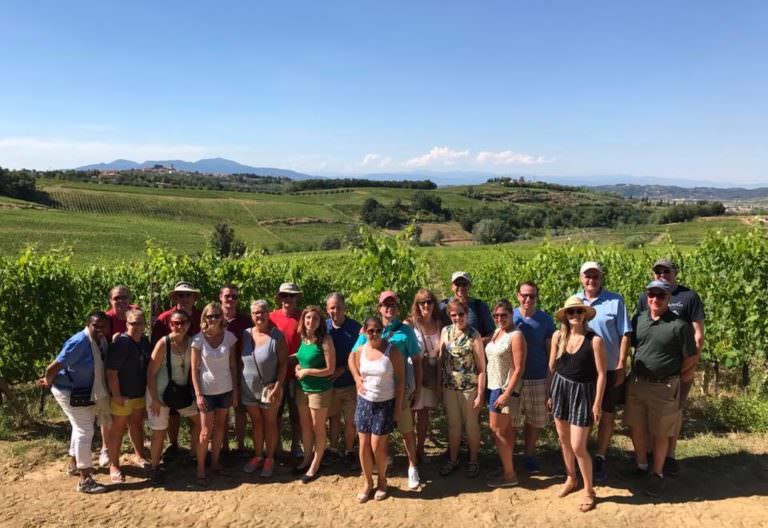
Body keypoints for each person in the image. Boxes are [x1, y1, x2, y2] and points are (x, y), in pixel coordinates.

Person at [620, 280, 697, 497]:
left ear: (668, 298)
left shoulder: (679, 325)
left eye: (660, 296)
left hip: (663, 386)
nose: (655, 299)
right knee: (636, 425)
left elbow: (691, 356)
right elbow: (632, 345)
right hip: (637, 383)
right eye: (651, 295)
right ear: (647, 296)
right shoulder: (639, 320)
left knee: (661, 431)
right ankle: (641, 464)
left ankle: (657, 473)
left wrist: (678, 375)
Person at [635, 258, 705, 476]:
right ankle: (648, 455)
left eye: (666, 270)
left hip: (678, 368)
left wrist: (689, 367)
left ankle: (669, 457)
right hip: (648, 374)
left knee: (674, 413)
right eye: (658, 270)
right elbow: (640, 331)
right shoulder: (645, 297)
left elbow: (698, 335)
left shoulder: (688, 296)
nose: (662, 273)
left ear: (675, 272)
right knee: (647, 416)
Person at [351, 290, 423, 490]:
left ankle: (412, 466)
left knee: (406, 429)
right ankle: (382, 467)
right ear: (379, 308)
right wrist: (358, 379)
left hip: (401, 388)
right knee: (377, 436)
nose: (388, 308)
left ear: (397, 308)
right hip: (374, 393)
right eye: (385, 305)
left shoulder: (405, 331)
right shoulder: (370, 330)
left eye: (392, 305)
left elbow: (417, 361)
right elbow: (353, 355)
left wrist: (416, 388)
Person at [37, 311, 111, 494]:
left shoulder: (100, 342)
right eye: (96, 325)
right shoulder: (79, 342)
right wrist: (48, 380)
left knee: (80, 427)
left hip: (83, 391)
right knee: (85, 430)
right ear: (88, 324)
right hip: (68, 391)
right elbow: (53, 367)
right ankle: (85, 479)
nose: (100, 329)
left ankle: (73, 465)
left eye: (103, 325)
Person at [548, 296, 607, 513]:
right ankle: (571, 479)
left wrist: (597, 403)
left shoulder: (595, 341)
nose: (575, 316)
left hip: (583, 393)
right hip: (560, 389)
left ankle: (589, 490)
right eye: (571, 312)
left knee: (578, 446)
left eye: (578, 312)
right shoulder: (558, 336)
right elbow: (551, 367)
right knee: (563, 440)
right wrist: (549, 393)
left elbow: (602, 375)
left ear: (584, 315)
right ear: (565, 316)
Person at [576, 262, 631, 481]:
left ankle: (599, 457)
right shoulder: (574, 301)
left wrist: (621, 363)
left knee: (606, 414)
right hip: (582, 371)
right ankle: (582, 456)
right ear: (581, 278)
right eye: (587, 276)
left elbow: (625, 334)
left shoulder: (615, 300)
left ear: (601, 277)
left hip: (608, 369)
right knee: (583, 415)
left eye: (595, 276)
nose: (591, 280)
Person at [349, 316, 405, 502]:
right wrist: (357, 378)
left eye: (378, 330)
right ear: (364, 331)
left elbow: (400, 381)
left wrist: (398, 407)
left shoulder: (392, 351)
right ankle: (367, 482)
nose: (374, 334)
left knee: (377, 446)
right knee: (363, 445)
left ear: (383, 331)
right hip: (364, 402)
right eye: (371, 330)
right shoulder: (360, 351)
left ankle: (382, 481)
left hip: (385, 403)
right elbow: (351, 360)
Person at [145, 310, 201, 485]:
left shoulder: (192, 342)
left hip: (180, 393)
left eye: (183, 322)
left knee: (201, 422)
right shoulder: (164, 343)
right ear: (170, 325)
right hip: (160, 393)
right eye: (175, 323)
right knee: (159, 431)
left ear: (189, 324)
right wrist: (154, 398)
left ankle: (193, 455)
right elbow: (150, 373)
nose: (179, 326)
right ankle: (155, 467)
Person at [151, 281, 202, 458]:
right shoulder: (164, 318)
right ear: (175, 298)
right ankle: (173, 445)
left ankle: (194, 451)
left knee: (192, 412)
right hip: (169, 378)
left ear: (194, 298)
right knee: (171, 413)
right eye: (180, 295)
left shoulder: (201, 316)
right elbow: (156, 352)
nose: (185, 298)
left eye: (188, 295)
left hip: (193, 373)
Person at [191, 302, 239, 486]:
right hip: (206, 392)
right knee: (205, 432)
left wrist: (235, 390)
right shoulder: (198, 339)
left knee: (220, 428)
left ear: (222, 317)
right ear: (204, 318)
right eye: (209, 316)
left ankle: (215, 463)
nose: (213, 319)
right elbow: (194, 370)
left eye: (217, 315)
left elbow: (233, 365)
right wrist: (198, 394)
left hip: (225, 389)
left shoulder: (230, 338)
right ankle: (201, 469)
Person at [438, 298, 487, 479]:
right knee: (453, 426)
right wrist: (439, 386)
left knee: (471, 426)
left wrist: (480, 393)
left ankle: (473, 460)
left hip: (469, 389)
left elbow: (482, 368)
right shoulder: (445, 331)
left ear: (466, 314)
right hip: (450, 387)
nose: (457, 318)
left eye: (460, 314)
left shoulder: (474, 336)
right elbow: (441, 361)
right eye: (453, 315)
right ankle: (453, 459)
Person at [240, 300, 288, 478]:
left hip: (269, 390)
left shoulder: (277, 336)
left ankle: (270, 458)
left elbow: (283, 364)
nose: (259, 316)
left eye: (262, 312)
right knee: (256, 423)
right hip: (248, 388)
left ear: (268, 313)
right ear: (251, 316)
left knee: (270, 423)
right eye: (255, 313)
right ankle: (258, 455)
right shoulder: (245, 334)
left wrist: (278, 386)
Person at [513, 281, 556, 474]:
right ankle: (509, 455)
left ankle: (529, 454)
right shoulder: (508, 316)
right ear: (518, 296)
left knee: (533, 419)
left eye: (532, 296)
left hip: (537, 376)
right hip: (513, 378)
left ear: (537, 297)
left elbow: (550, 353)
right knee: (511, 420)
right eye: (524, 295)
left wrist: (549, 379)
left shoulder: (545, 320)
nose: (528, 299)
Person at [106, 308, 151, 482]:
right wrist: (116, 395)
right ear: (127, 324)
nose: (137, 326)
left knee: (136, 426)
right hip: (123, 395)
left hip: (138, 393)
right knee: (117, 431)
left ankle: (139, 456)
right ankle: (114, 465)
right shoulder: (122, 344)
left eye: (140, 323)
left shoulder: (145, 342)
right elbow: (111, 373)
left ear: (145, 324)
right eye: (133, 323)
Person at [485, 299, 527, 488]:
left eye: (504, 315)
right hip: (494, 385)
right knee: (506, 431)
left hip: (503, 388)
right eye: (497, 315)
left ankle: (509, 475)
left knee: (497, 431)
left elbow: (519, 369)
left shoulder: (515, 335)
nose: (500, 318)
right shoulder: (497, 332)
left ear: (511, 314)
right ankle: (507, 468)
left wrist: (506, 394)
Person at [294, 305, 336, 483]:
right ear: (303, 320)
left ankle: (315, 465)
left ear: (321, 322)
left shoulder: (325, 340)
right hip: (302, 388)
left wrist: (308, 371)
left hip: (319, 390)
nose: (311, 321)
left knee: (318, 428)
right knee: (306, 427)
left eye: (315, 319)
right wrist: (298, 366)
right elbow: (302, 358)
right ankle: (306, 458)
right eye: (308, 318)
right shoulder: (304, 338)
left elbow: (330, 369)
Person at [405, 288, 443, 464]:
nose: (426, 305)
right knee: (411, 415)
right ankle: (410, 454)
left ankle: (420, 449)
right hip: (413, 376)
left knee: (424, 414)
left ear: (434, 303)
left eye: (429, 301)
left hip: (430, 376)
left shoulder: (439, 324)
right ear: (417, 305)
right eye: (422, 302)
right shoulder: (409, 325)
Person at [325, 293, 362, 469]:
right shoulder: (323, 327)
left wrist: (343, 369)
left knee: (349, 420)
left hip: (349, 382)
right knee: (333, 418)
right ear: (327, 309)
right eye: (332, 307)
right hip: (330, 384)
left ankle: (348, 451)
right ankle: (332, 449)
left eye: (339, 307)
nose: (336, 310)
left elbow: (361, 356)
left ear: (345, 308)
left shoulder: (355, 328)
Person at [269, 282, 303, 458]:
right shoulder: (271, 317)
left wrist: (294, 357)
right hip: (276, 375)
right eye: (284, 296)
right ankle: (276, 445)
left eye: (291, 295)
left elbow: (308, 342)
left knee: (296, 413)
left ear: (296, 298)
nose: (288, 299)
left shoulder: (303, 317)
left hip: (297, 374)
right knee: (276, 412)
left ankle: (296, 445)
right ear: (280, 298)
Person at [218, 284, 252, 455]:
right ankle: (223, 446)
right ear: (220, 298)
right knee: (222, 410)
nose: (230, 299)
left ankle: (240, 446)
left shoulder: (246, 321)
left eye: (234, 296)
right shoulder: (214, 319)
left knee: (240, 410)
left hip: (241, 369)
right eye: (227, 296)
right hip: (219, 371)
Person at [438, 272, 495, 341]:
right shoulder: (443, 306)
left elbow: (491, 333)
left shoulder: (479, 306)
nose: (461, 287)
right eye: (457, 284)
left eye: (464, 284)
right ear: (452, 287)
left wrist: (476, 343)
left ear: (469, 286)